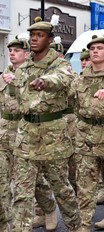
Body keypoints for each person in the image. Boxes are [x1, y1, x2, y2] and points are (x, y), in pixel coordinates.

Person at [3, 17, 81, 232]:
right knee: (22, 192)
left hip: (52, 136)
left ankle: (76, 226)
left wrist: (45, 82)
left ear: (49, 39)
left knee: (62, 189)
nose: (34, 39)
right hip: (26, 135)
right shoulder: (24, 68)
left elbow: (62, 78)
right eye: (32, 36)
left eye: (40, 36)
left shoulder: (60, 64)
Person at [70, 32, 104, 231]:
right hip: (86, 137)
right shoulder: (81, 78)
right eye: (92, 49)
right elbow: (73, 102)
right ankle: (83, 224)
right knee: (85, 184)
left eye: (99, 48)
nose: (95, 52)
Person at [0, 33, 30, 231]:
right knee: (2, 182)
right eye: (10, 50)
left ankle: (47, 208)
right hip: (3, 133)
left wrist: (18, 84)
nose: (12, 53)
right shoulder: (3, 75)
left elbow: (34, 104)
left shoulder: (33, 76)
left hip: (24, 134)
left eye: (17, 50)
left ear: (26, 55)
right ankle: (4, 224)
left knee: (26, 185)